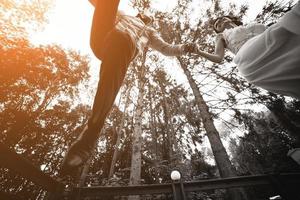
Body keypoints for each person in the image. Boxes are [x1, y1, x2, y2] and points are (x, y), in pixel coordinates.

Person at [60, 0, 194, 175]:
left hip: (122, 49)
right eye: (143, 14)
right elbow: (101, 7)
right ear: (139, 15)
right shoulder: (124, 15)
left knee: (109, 87)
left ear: (149, 21)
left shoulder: (151, 33)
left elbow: (166, 49)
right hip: (104, 37)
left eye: (148, 17)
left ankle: (86, 141)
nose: (145, 16)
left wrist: (185, 48)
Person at [191, 2, 300, 99]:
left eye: (222, 18)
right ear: (218, 30)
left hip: (275, 47)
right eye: (216, 25)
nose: (219, 21)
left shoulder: (249, 26)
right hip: (248, 58)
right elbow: (218, 58)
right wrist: (199, 52)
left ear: (231, 18)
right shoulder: (221, 36)